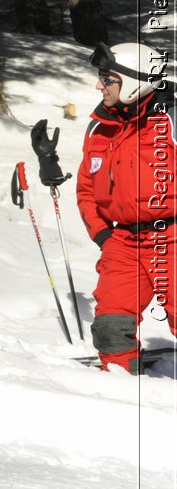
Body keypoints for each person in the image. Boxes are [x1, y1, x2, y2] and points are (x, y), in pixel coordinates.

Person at [70, 42, 175, 372]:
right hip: (124, 243)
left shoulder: (171, 117)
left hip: (172, 237)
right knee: (110, 330)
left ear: (133, 81)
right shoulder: (99, 127)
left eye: (107, 78)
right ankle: (122, 397)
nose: (99, 85)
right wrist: (103, 235)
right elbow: (86, 188)